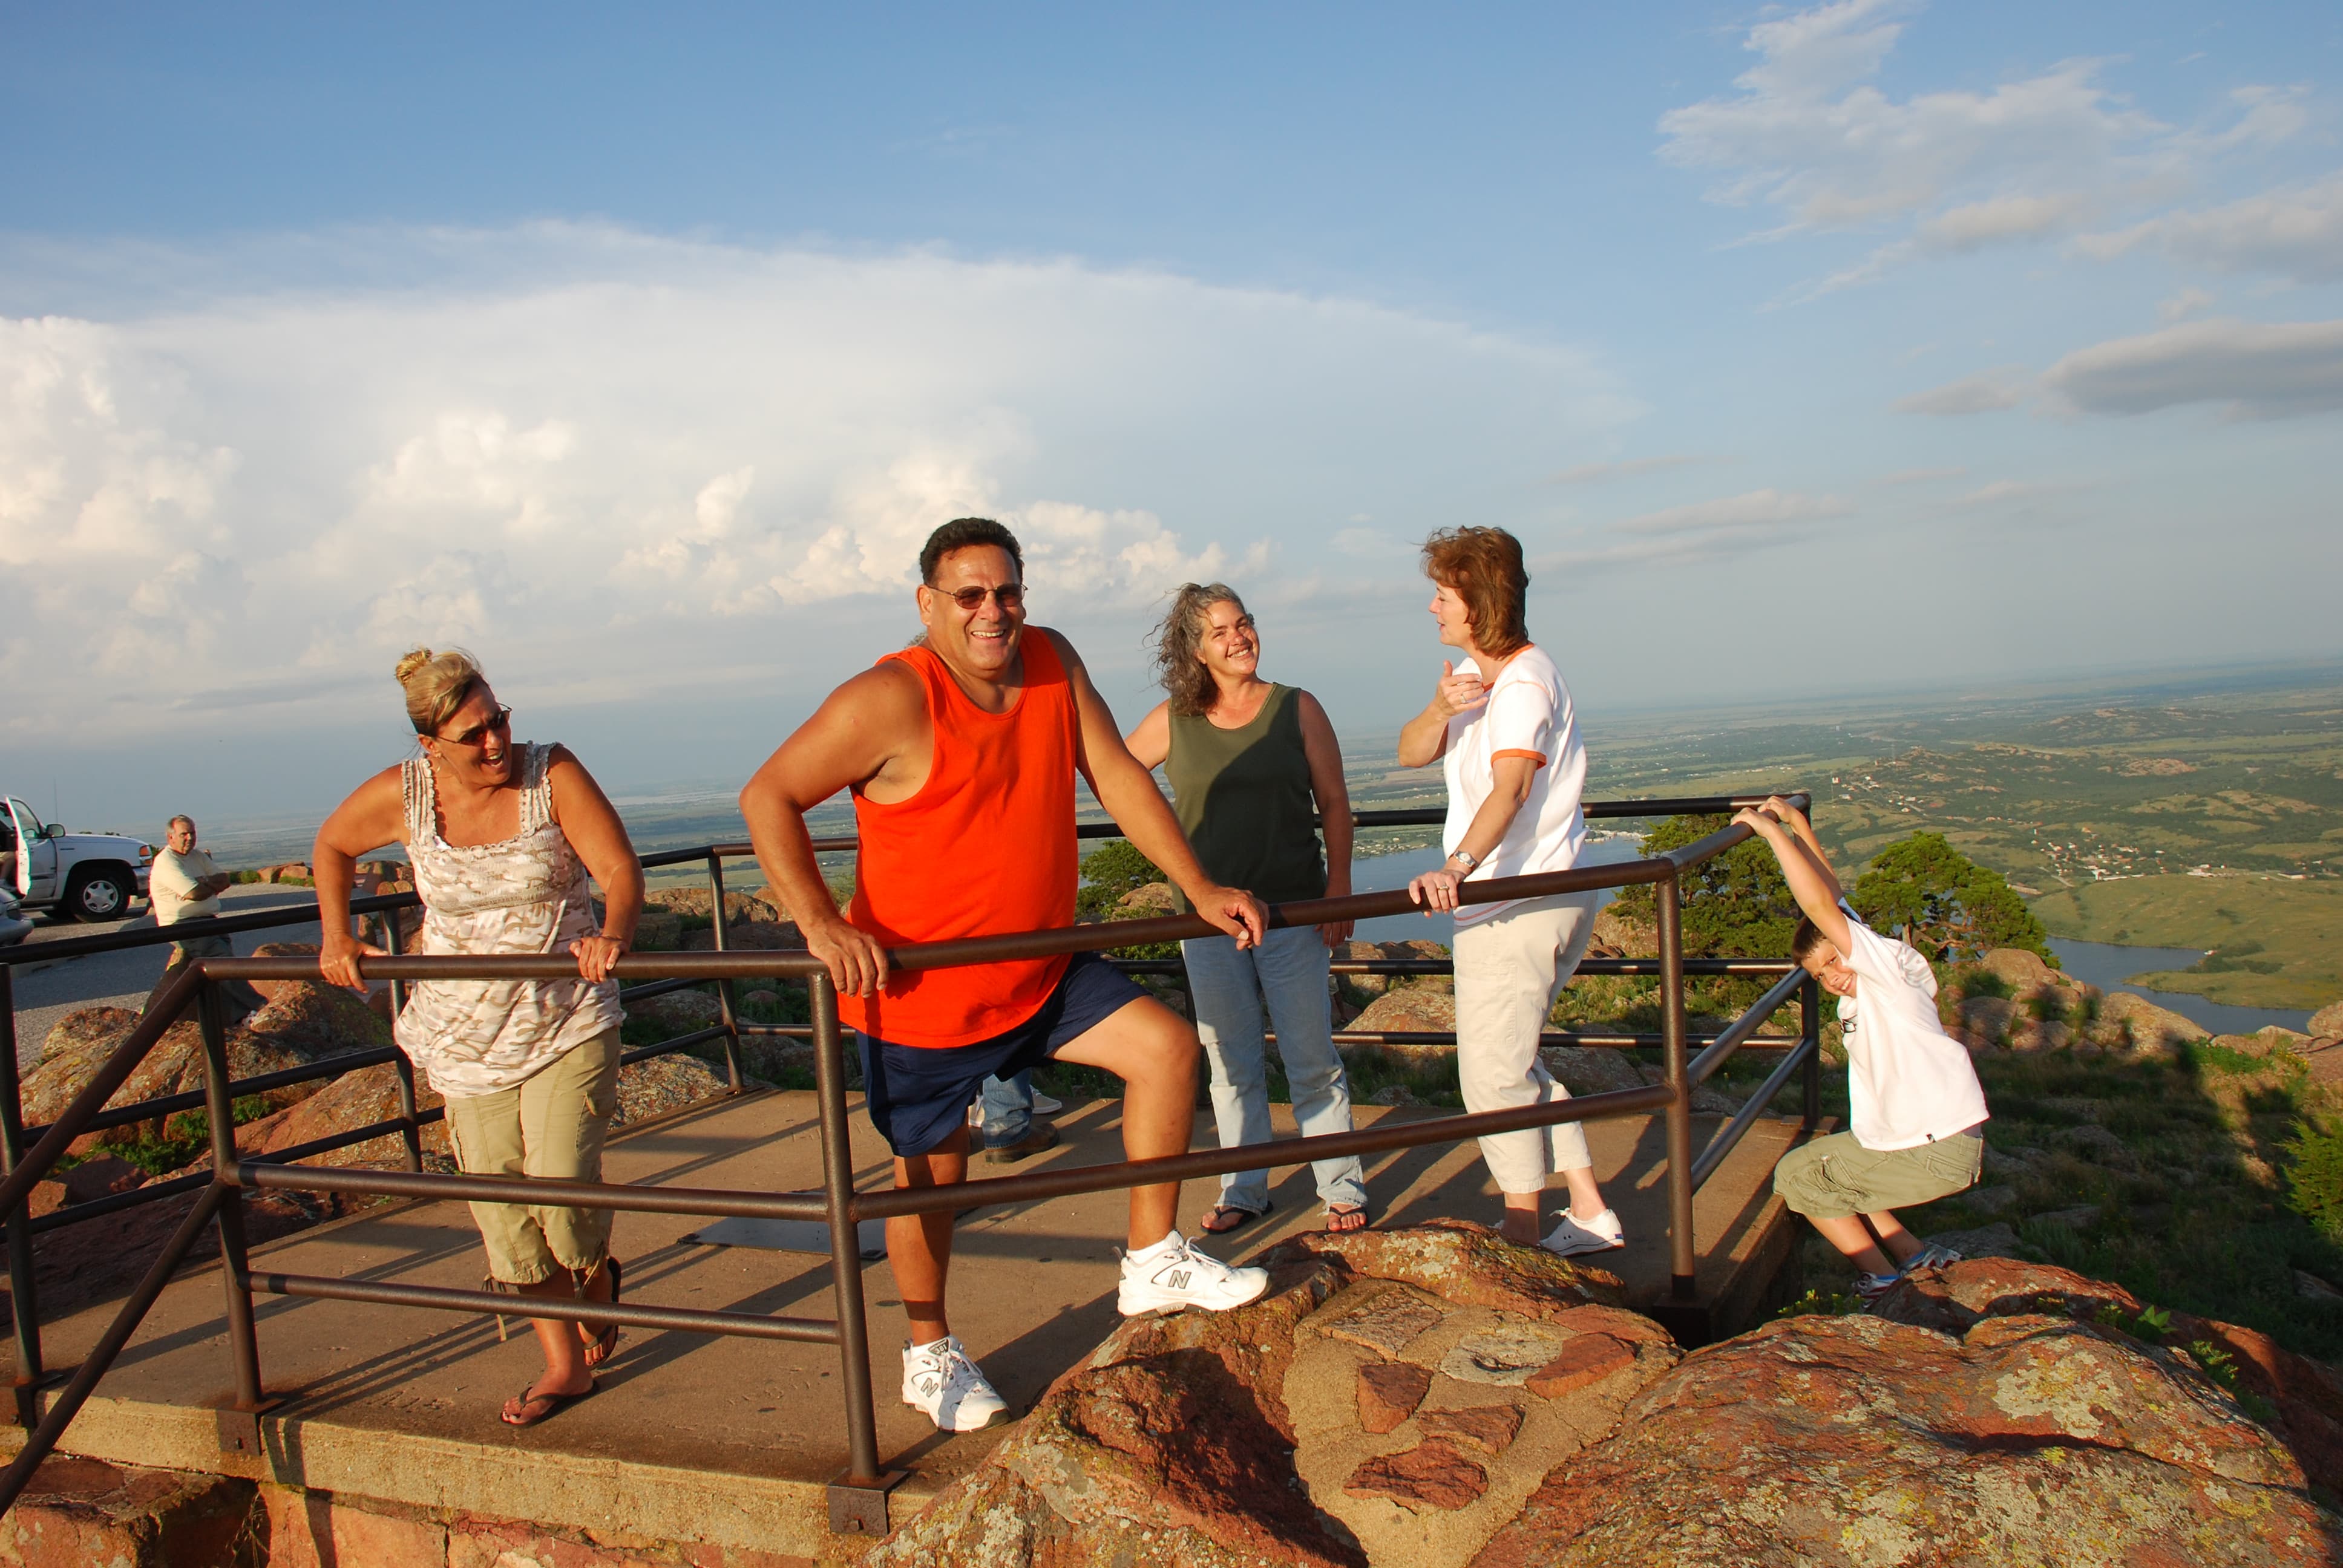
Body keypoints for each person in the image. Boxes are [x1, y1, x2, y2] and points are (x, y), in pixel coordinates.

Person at [739, 517, 1273, 1434]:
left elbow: (1115, 773)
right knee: (932, 1183)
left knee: (1165, 1050)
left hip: (1039, 967)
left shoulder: (1052, 661)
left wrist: (1197, 886)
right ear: (929, 604)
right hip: (924, 996)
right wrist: (821, 923)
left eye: (1008, 591)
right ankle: (929, 1353)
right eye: (970, 595)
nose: (993, 611)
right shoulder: (890, 698)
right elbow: (768, 795)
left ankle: (1152, 1258)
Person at [313, 648, 643, 1427]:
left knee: (559, 1186)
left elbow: (619, 870)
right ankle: (563, 1368)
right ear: (431, 745)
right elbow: (331, 845)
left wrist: (614, 935)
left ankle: (594, 1278)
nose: (496, 742)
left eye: (499, 720)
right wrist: (337, 935)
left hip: (564, 1017)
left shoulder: (550, 773)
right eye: (473, 734)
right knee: (503, 1211)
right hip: (461, 1037)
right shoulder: (405, 795)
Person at [1398, 526, 1625, 1255]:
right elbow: (1408, 754)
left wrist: (1456, 867)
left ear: (1479, 601)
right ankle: (1587, 1209)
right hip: (1523, 897)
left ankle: (1521, 1234)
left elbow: (1512, 788)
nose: (1432, 608)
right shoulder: (1480, 677)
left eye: (1443, 595)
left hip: (1516, 901)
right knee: (1516, 1059)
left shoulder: (1523, 683)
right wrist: (1439, 710)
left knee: (1493, 1076)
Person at [1126, 583, 1369, 1236]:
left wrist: (1339, 889)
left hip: (1292, 912)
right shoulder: (1173, 720)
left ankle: (1340, 1187)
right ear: (1196, 651)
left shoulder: (1297, 708)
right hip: (1208, 922)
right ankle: (1244, 1187)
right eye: (1220, 632)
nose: (1239, 638)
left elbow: (1335, 803)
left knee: (1310, 1057)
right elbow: (1115, 775)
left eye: (1243, 623)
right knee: (1230, 1063)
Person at [1733, 795, 1987, 1307]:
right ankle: (1914, 1257)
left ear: (1851, 946)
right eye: (1819, 976)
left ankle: (1882, 1281)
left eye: (1833, 960)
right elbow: (1835, 897)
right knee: (1825, 1158)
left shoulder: (1883, 975)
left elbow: (1821, 908)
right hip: (1920, 1136)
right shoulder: (1878, 971)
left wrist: (1771, 835)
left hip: (1935, 1148)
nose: (1832, 977)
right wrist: (1799, 824)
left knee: (1798, 1179)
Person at [142, 815, 265, 1021]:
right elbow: (194, 893)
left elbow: (224, 880)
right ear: (171, 837)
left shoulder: (196, 856)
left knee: (218, 968)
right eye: (184, 834)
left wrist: (203, 882)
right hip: (183, 925)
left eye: (192, 833)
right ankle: (258, 1006)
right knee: (222, 962)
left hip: (208, 921)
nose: (190, 838)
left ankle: (238, 1017)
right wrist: (207, 884)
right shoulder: (167, 862)